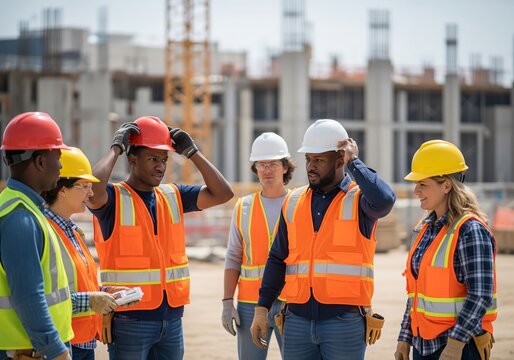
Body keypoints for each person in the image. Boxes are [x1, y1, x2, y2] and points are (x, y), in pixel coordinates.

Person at [88, 116, 233, 359]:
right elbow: (92, 192)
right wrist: (116, 148)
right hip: (129, 320)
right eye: (153, 159)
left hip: (172, 320)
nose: (161, 166)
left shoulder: (173, 195)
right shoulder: (113, 199)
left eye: (164, 160)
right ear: (132, 160)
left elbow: (223, 193)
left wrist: (193, 153)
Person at [250, 119, 396, 360]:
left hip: (344, 323)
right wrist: (261, 308)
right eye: (308, 159)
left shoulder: (359, 200)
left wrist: (355, 162)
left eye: (319, 160)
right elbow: (277, 258)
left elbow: (384, 201)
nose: (311, 166)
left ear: (340, 161)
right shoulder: (293, 201)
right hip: (296, 321)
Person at [394, 140, 497, 360]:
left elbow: (480, 295)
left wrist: (455, 344)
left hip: (459, 348)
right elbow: (416, 292)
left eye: (423, 184)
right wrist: (405, 337)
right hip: (423, 346)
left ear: (446, 185)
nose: (416, 191)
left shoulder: (470, 230)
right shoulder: (425, 230)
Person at [42, 147, 135, 360]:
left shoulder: (74, 231)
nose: (91, 193)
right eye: (84, 186)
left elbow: (76, 285)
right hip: (61, 345)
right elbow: (44, 299)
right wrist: (93, 300)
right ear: (61, 189)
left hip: (84, 342)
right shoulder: (43, 231)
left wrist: (106, 293)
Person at [0, 112, 73, 360]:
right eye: (58, 157)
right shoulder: (19, 218)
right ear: (40, 162)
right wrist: (56, 350)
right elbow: (28, 295)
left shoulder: (21, 207)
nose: (61, 166)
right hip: (29, 352)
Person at [222, 132, 296, 359]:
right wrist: (227, 301)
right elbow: (233, 256)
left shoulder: (299, 203)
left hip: (291, 302)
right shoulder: (243, 207)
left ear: (285, 167)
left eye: (273, 163)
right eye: (261, 164)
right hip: (249, 303)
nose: (266, 169)